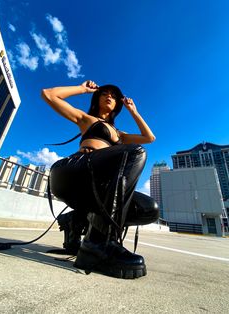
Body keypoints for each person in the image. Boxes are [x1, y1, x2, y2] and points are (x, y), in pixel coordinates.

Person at [41, 80, 158, 279]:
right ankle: (98, 242)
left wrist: (133, 111)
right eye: (104, 93)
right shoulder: (87, 119)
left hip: (99, 188)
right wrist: (83, 89)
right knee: (136, 152)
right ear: (97, 99)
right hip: (74, 173)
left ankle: (76, 219)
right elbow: (49, 94)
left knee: (149, 209)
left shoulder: (121, 135)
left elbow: (149, 137)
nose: (109, 96)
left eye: (113, 95)